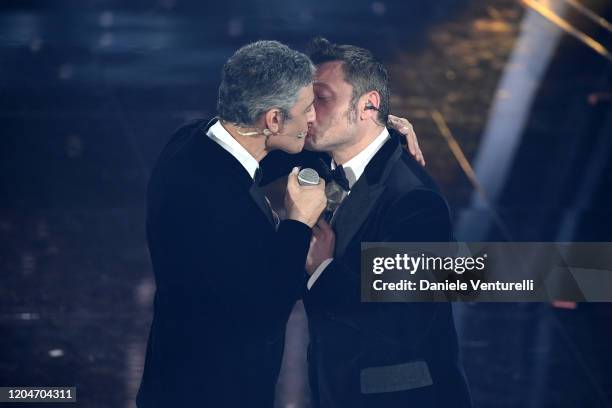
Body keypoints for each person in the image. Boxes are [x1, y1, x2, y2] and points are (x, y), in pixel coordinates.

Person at [136, 40, 328, 408]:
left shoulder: (190, 140)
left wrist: (381, 136)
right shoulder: (225, 208)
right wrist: (298, 223)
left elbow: (262, 160)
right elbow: (267, 312)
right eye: (306, 110)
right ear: (273, 119)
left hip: (169, 375)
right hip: (214, 392)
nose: (312, 119)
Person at [301, 37, 472, 408]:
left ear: (368, 105)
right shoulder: (322, 166)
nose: (308, 113)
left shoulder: (414, 199)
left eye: (322, 98)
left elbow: (405, 323)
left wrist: (322, 272)